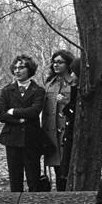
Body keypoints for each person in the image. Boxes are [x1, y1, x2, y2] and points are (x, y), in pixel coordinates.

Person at [0, 54, 46, 192]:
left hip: (32, 139)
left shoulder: (38, 91)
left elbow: (34, 111)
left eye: (22, 67)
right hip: (12, 139)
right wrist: (19, 119)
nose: (17, 71)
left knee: (33, 178)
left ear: (29, 69)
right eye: (15, 68)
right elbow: (0, 115)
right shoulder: (7, 90)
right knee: (15, 179)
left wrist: (12, 111)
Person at [41, 50, 77, 191]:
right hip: (52, 134)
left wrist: (67, 101)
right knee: (57, 168)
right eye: (54, 62)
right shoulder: (50, 83)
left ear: (68, 64)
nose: (55, 65)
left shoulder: (74, 82)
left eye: (60, 62)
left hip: (68, 133)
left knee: (67, 168)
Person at [59, 57, 81, 190]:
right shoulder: (75, 91)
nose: (71, 75)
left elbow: (74, 115)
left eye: (74, 72)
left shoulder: (80, 94)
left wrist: (66, 105)